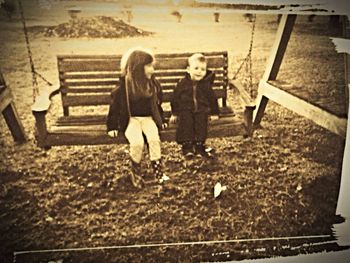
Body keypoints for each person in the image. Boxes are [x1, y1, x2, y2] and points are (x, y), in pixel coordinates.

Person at [107, 47, 169, 188]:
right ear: (137, 68)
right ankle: (135, 174)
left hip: (148, 119)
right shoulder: (123, 88)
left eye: (152, 66)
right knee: (137, 143)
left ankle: (159, 173)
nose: (152, 70)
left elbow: (157, 105)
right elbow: (114, 109)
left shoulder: (152, 84)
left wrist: (162, 119)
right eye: (148, 66)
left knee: (154, 139)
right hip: (131, 120)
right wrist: (112, 126)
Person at [170, 53, 219, 159]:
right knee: (186, 123)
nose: (199, 71)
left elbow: (212, 99)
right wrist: (174, 113)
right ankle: (187, 147)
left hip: (201, 110)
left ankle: (199, 145)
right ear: (188, 69)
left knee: (201, 123)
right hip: (185, 110)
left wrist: (215, 113)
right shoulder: (182, 83)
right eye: (196, 68)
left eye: (202, 69)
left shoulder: (206, 84)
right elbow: (175, 99)